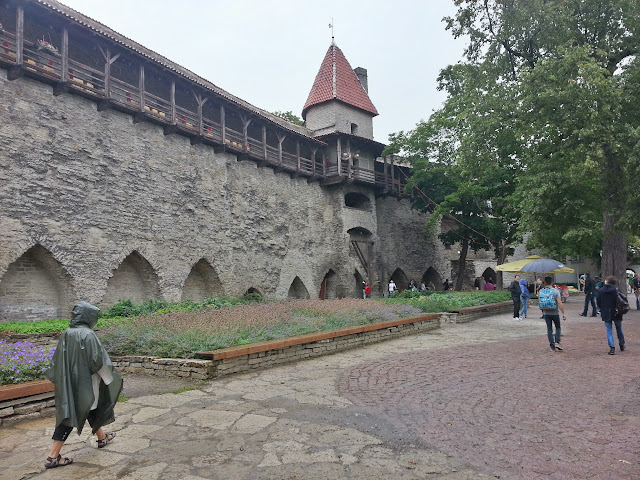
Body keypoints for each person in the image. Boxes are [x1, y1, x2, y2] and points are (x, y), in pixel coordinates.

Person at [45, 301, 123, 469]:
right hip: (86, 382)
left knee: (88, 408)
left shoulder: (67, 333)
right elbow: (98, 360)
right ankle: (52, 457)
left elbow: (59, 359)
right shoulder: (88, 334)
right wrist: (111, 380)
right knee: (70, 414)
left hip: (69, 382)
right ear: (88, 316)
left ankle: (102, 438)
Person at [596, 276, 626, 355]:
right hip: (617, 312)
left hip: (606, 312)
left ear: (606, 281)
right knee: (619, 329)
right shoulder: (616, 290)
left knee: (609, 330)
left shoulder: (601, 290)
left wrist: (602, 307)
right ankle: (621, 344)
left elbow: (598, 302)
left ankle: (612, 347)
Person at [539, 276, 566, 351]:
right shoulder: (555, 291)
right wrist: (563, 313)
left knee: (549, 329)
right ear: (552, 282)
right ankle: (557, 342)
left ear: (544, 283)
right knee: (558, 327)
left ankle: (552, 346)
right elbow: (560, 303)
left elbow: (540, 301)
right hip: (554, 312)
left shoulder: (541, 291)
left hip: (546, 313)